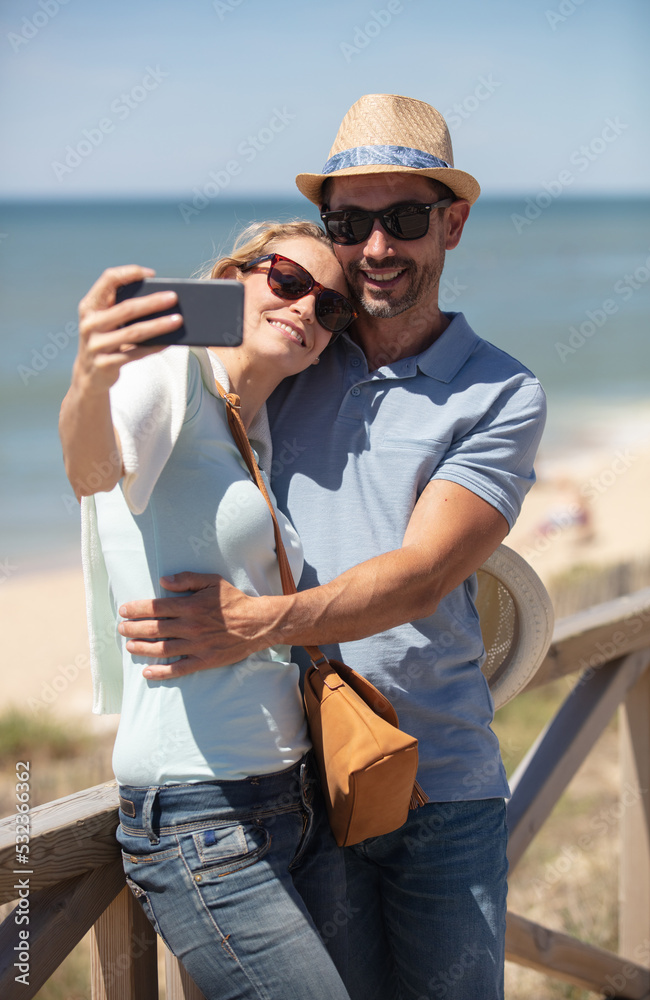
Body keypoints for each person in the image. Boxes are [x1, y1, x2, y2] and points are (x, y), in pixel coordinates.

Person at [116, 95, 547, 1000]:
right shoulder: (300, 333)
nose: (377, 248)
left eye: (404, 219)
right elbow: (130, 316)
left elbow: (423, 575)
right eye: (349, 222)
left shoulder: (501, 393)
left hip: (440, 784)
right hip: (303, 789)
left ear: (452, 224)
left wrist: (255, 624)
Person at [58, 220, 357, 1000]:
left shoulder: (249, 429)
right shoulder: (168, 375)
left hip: (293, 798)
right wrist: (93, 372)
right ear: (234, 280)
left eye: (331, 308)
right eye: (288, 280)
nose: (306, 308)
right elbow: (93, 469)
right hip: (200, 816)